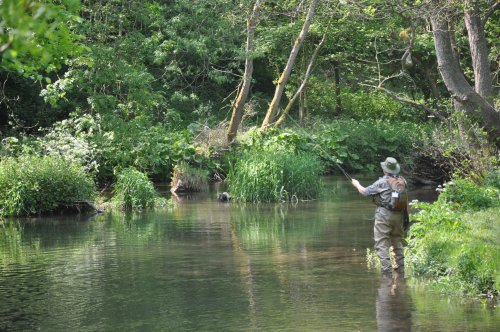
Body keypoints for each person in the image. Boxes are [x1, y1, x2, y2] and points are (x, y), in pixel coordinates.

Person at [351, 157, 407, 275]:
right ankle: (401, 271)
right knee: (397, 241)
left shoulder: (382, 182)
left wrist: (356, 184)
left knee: (381, 243)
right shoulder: (402, 181)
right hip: (399, 215)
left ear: (385, 170)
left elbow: (364, 192)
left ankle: (386, 273)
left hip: (384, 215)